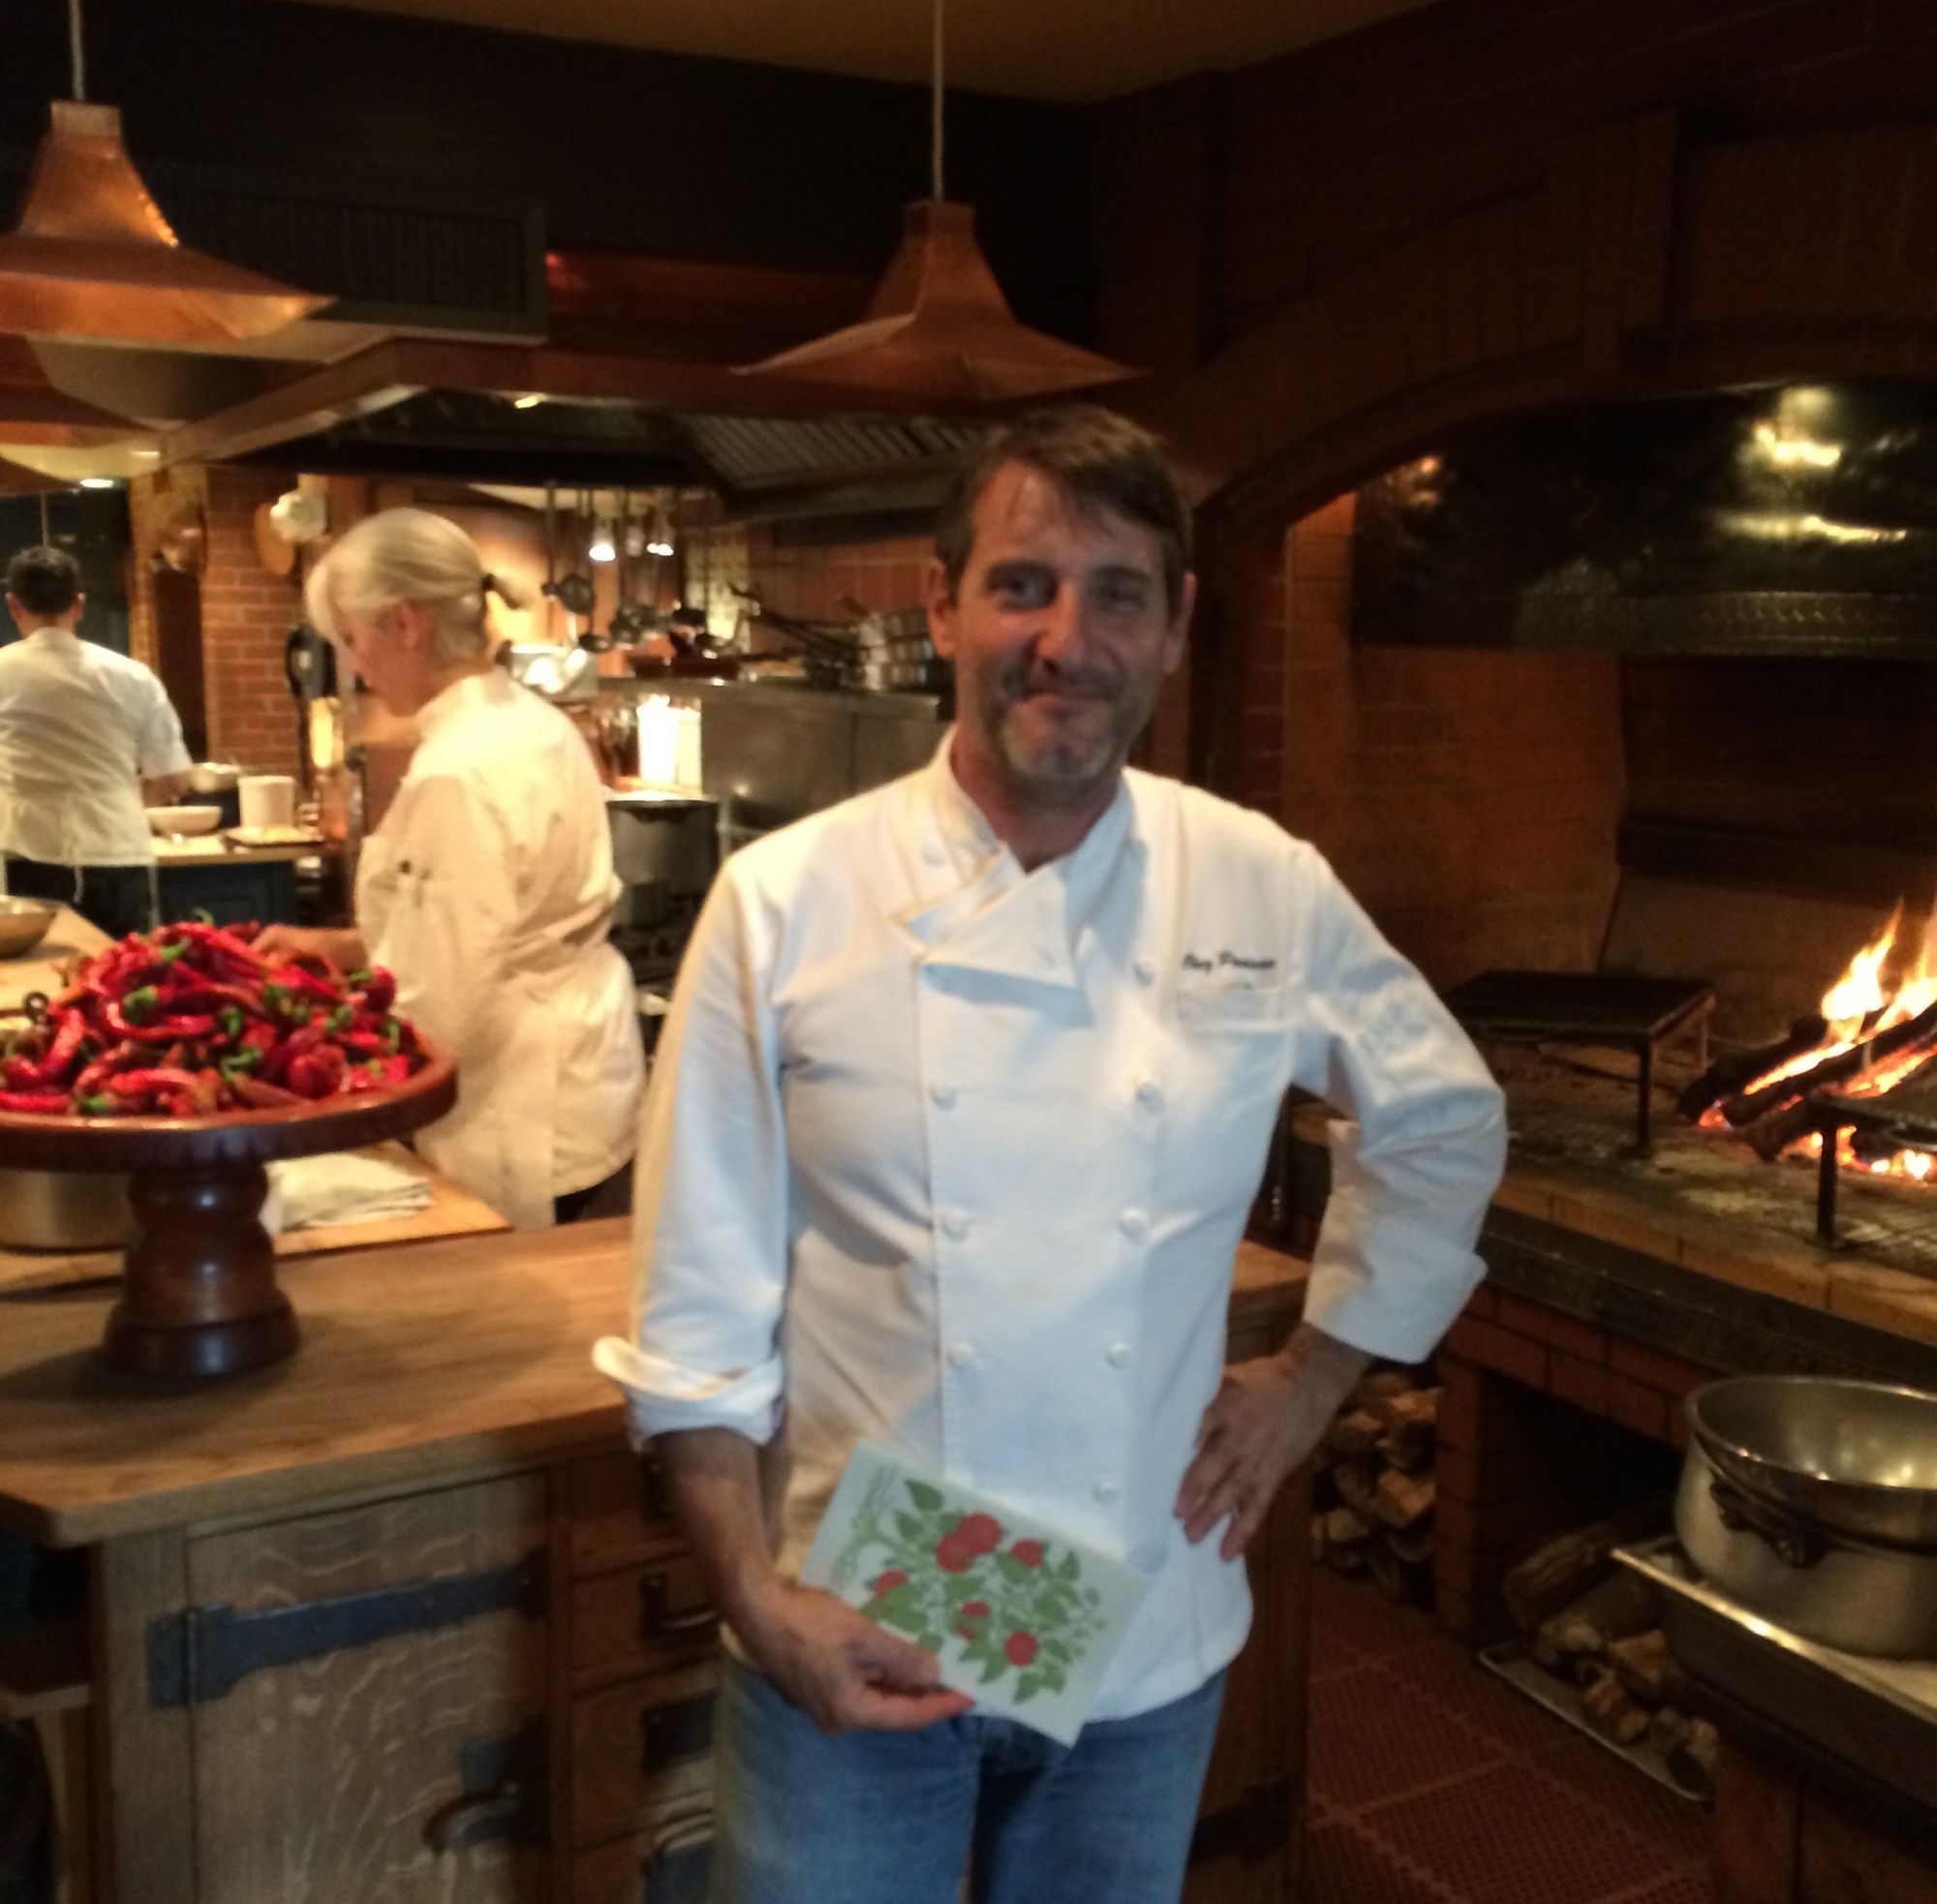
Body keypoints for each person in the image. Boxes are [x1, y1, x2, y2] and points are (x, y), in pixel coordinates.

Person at [593, 406, 1507, 1904]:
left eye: (1117, 594)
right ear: (941, 606)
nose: (1066, 642)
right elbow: (697, 1302)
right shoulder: (788, 902)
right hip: (853, 1618)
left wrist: (1312, 1381)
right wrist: (752, 1600)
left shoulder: (1257, 883)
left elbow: (1445, 1119)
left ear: (1176, 626)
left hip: (1139, 1644)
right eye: (1022, 586)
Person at [255, 507, 643, 1229]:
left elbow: (438, 1005)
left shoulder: (458, 772)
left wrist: (294, 1063)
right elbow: (495, 922)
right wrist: (340, 949)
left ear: (406, 623)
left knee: (507, 1292)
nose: (355, 666)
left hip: (518, 1105)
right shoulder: (533, 721)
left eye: (352, 639)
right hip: (584, 1082)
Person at [0, 544, 192, 937]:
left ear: (14, 606)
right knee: (127, 968)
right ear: (79, 604)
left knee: (44, 972)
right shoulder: (133, 676)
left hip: (31, 856)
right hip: (118, 851)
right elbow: (174, 779)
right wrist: (115, 796)